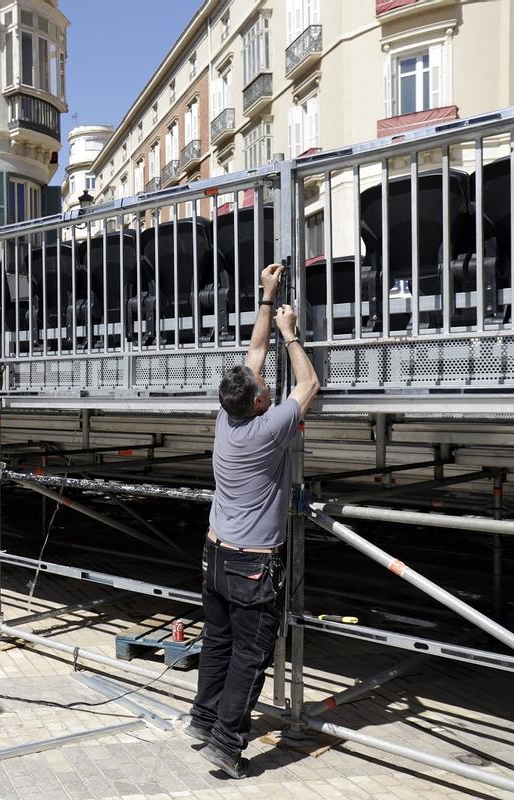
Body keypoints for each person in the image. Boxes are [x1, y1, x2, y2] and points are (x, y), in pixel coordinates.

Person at [188, 263, 320, 779]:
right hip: (250, 565)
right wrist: (291, 331)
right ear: (261, 401)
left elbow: (252, 356)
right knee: (248, 654)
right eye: (264, 386)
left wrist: (267, 298)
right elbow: (308, 383)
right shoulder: (270, 427)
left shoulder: (227, 415)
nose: (264, 380)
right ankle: (226, 743)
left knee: (218, 641)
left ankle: (203, 720)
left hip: (217, 553)